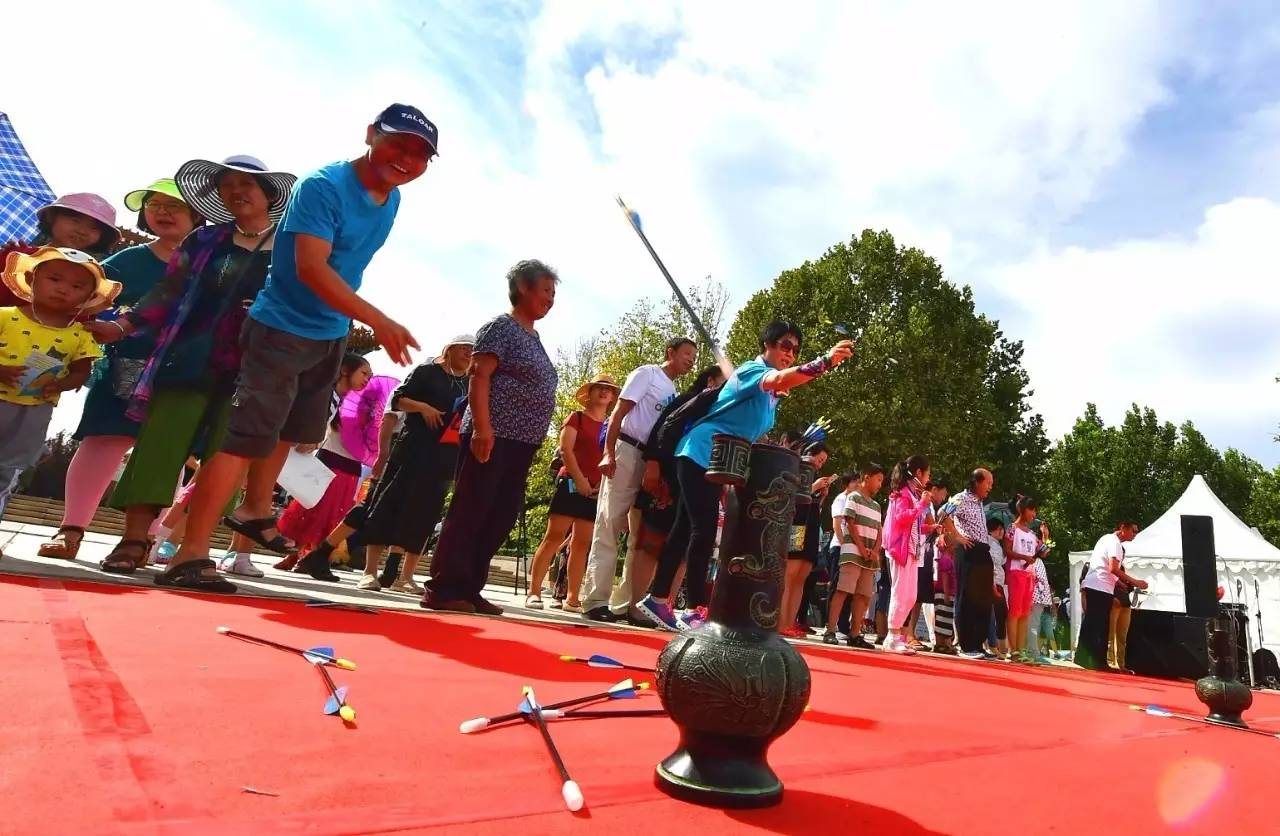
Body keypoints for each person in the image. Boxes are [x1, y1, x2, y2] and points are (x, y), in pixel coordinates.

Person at [171, 105, 435, 591]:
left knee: (293, 434)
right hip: (280, 328)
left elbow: (349, 266)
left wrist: (350, 321)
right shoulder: (323, 187)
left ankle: (253, 510)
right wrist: (378, 320)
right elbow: (311, 269)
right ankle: (189, 554)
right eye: (398, 143)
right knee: (244, 439)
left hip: (328, 333)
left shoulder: (392, 200)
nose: (406, 159)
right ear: (371, 134)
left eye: (421, 155)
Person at [87, 156, 297, 585]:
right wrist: (123, 324)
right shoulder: (205, 239)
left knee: (225, 458)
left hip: (253, 370)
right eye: (226, 185)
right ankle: (133, 540)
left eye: (247, 185)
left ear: (270, 194)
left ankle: (192, 550)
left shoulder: (294, 246)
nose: (236, 191)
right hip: (189, 357)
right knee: (160, 444)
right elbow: (169, 291)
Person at [636, 321, 854, 631]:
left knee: (686, 528)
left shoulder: (770, 396)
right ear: (767, 345)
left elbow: (775, 393)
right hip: (700, 451)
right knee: (703, 530)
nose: (790, 353)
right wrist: (826, 362)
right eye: (785, 345)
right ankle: (696, 608)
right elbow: (780, 378)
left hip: (716, 459)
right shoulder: (752, 372)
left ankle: (658, 599)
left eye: (796, 349)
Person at [37, 181, 203, 560]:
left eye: (174, 205)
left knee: (165, 453)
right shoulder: (126, 262)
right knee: (103, 441)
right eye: (154, 204)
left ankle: (144, 539)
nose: (162, 211)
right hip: (120, 367)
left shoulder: (209, 268)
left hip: (182, 373)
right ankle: (71, 529)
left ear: (197, 215)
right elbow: (84, 299)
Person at [423, 260, 559, 614]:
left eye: (553, 293)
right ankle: (444, 587)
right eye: (545, 290)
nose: (550, 298)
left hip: (522, 441)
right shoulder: (501, 327)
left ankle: (470, 587)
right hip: (494, 433)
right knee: (472, 507)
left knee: (499, 514)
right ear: (524, 288)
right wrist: (483, 429)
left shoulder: (534, 337)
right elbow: (480, 377)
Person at [321, 335, 474, 591]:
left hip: (444, 457)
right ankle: (369, 571)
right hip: (412, 449)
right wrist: (423, 408)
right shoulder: (427, 372)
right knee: (386, 506)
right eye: (465, 349)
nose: (469, 355)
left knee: (424, 514)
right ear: (451, 349)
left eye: (473, 351)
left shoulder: (469, 383)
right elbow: (397, 401)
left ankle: (407, 575)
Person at [578, 337, 697, 622]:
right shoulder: (647, 374)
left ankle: (628, 604)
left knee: (639, 534)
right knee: (610, 523)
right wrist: (608, 452)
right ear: (670, 352)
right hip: (626, 448)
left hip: (650, 460)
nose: (691, 360)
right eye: (686, 354)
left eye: (694, 357)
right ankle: (595, 600)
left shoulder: (673, 390)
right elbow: (619, 412)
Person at [0, 248, 115, 540]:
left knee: (7, 470)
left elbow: (82, 370)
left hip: (35, 410)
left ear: (88, 298)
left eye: (77, 287)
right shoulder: (6, 317)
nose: (63, 289)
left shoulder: (79, 335)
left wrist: (62, 383)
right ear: (31, 278)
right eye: (55, 279)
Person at [625, 365, 726, 623]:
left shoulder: (719, 412)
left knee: (684, 541)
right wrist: (653, 462)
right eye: (724, 383)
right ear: (711, 380)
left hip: (695, 480)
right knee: (650, 541)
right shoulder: (687, 400)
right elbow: (664, 427)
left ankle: (663, 606)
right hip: (668, 476)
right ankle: (635, 606)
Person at [526, 374, 620, 610]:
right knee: (554, 536)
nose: (604, 392)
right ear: (589, 393)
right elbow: (566, 449)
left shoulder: (611, 425)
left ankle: (572, 597)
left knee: (582, 543)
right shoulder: (576, 418)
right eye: (599, 388)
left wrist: (600, 485)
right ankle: (534, 591)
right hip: (570, 483)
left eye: (608, 389)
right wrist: (579, 480)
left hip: (596, 489)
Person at [275, 353, 376, 558]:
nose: (367, 379)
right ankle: (295, 553)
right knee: (312, 509)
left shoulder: (366, 407)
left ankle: (314, 556)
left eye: (370, 376)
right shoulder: (329, 395)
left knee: (337, 513)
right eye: (364, 373)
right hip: (328, 460)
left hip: (351, 467)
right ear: (345, 370)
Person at [0, 193, 120, 303]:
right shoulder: (16, 257)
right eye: (75, 221)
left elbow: (81, 317)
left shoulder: (90, 276)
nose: (82, 231)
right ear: (52, 218)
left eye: (93, 228)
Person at [823, 463, 885, 647]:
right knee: (843, 590)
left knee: (863, 595)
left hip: (868, 558)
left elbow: (879, 531)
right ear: (866, 477)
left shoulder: (876, 506)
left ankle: (855, 633)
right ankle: (831, 629)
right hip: (852, 553)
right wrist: (860, 547)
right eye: (878, 479)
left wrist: (874, 550)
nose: (880, 484)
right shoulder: (853, 498)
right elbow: (849, 523)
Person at [781, 445, 834, 638]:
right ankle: (780, 622)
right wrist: (814, 486)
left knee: (802, 577)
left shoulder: (813, 476)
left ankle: (791, 621)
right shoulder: (796, 469)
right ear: (808, 455)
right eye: (819, 459)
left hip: (811, 527)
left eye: (822, 462)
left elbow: (812, 505)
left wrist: (822, 496)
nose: (819, 464)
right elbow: (790, 498)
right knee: (790, 575)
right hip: (796, 527)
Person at [1076, 521, 1144, 671]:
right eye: (1133, 531)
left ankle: (1083, 658)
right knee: (1101, 625)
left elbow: (1106, 567)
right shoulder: (1115, 543)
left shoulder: (1104, 538)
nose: (1135, 535)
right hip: (1101, 586)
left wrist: (1120, 583)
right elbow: (1113, 568)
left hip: (1096, 583)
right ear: (1123, 528)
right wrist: (1135, 581)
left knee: (1091, 623)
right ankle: (1099, 662)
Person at [883, 456, 933, 654]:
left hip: (912, 550)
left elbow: (912, 525)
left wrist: (929, 527)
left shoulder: (912, 494)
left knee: (911, 596)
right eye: (927, 474)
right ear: (919, 473)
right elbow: (901, 519)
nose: (929, 478)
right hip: (901, 550)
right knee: (900, 593)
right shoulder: (902, 494)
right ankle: (892, 636)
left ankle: (897, 635)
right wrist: (921, 505)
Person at [951, 468, 996, 659]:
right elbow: (942, 514)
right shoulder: (960, 498)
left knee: (983, 599)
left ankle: (978, 644)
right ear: (977, 481)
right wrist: (958, 537)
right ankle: (966, 645)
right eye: (988, 483)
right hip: (968, 549)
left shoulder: (979, 502)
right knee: (967, 597)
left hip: (983, 550)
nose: (990, 487)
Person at [1005, 495, 1046, 663]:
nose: (1033, 514)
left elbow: (1043, 551)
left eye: (1035, 510)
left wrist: (1045, 537)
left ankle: (1020, 650)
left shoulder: (1032, 533)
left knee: (1024, 613)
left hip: (1029, 575)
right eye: (1031, 509)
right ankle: (1012, 649)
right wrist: (1023, 557)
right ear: (1022, 509)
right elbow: (1007, 550)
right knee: (1014, 612)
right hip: (1015, 573)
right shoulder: (1012, 529)